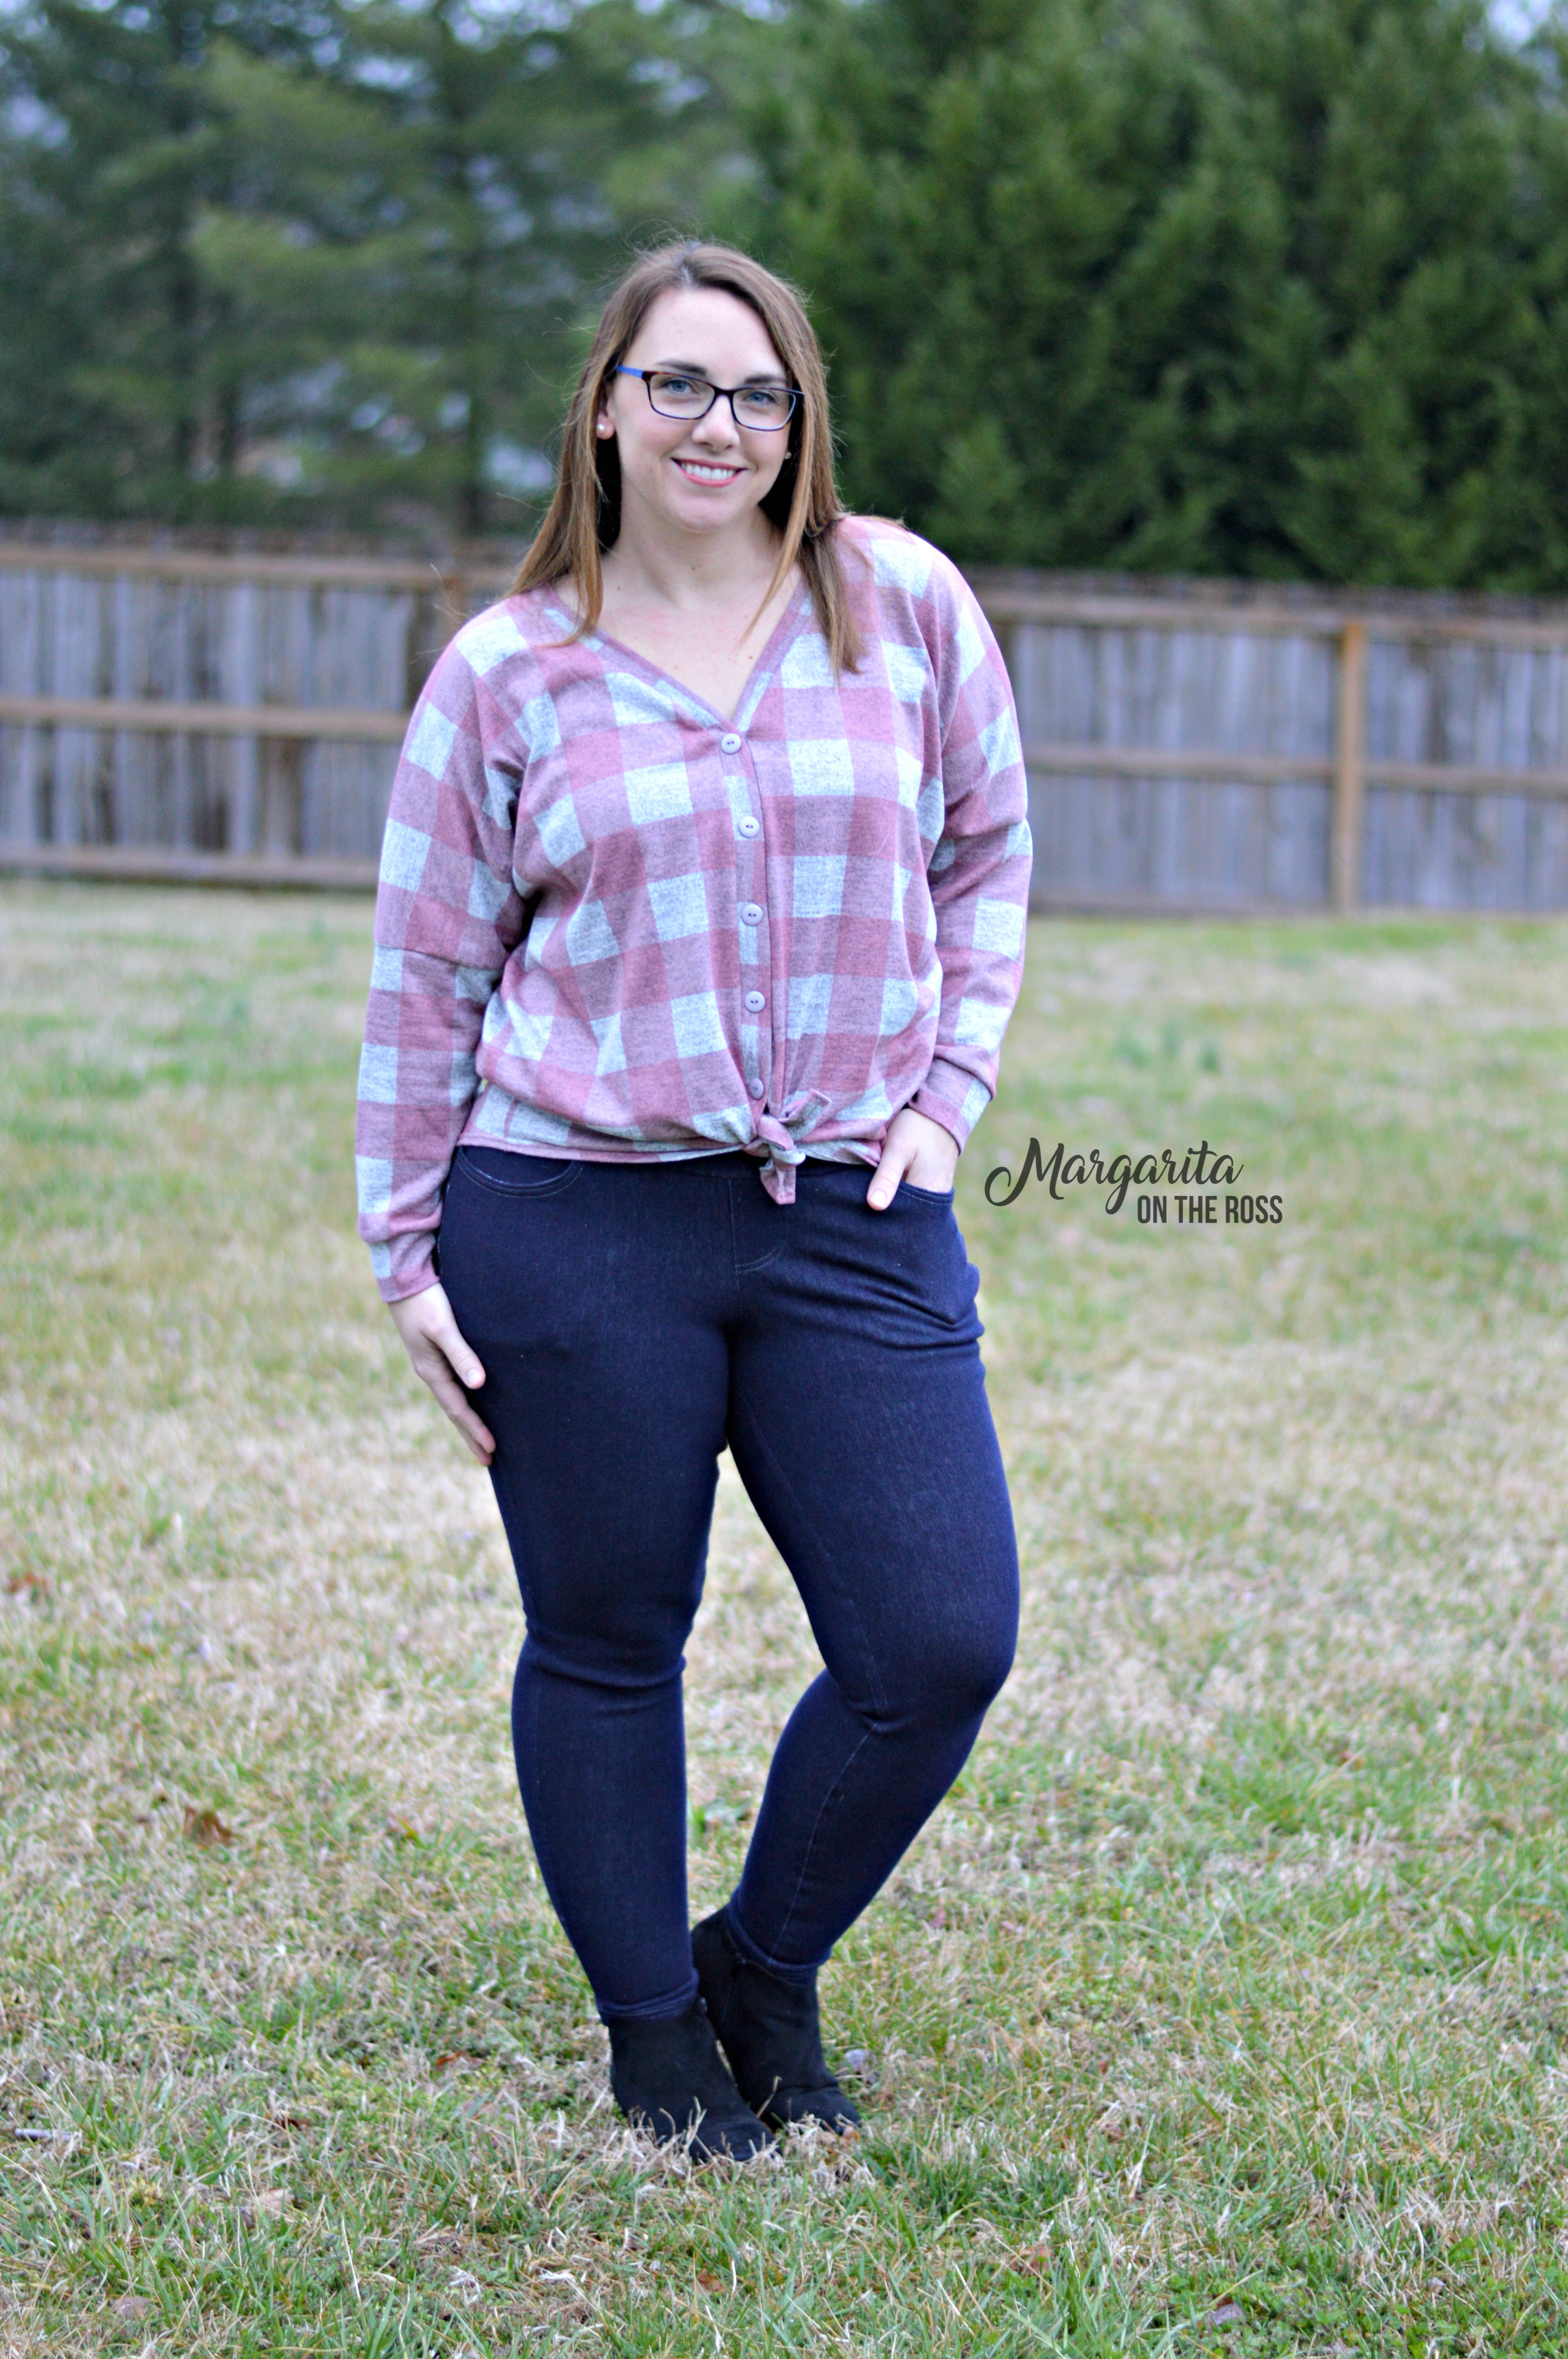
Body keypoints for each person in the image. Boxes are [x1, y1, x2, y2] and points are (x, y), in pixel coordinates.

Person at [356, 241, 1032, 2162]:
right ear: (604, 409)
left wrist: (950, 1092)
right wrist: (404, 1250)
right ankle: (652, 2028)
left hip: (849, 1208)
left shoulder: (900, 605)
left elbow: (985, 852)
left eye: (756, 393)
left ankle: (761, 1962)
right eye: (676, 385)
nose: (716, 425)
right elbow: (426, 970)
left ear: (798, 422)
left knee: (937, 1637)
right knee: (607, 1631)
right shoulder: (509, 670)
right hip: (569, 1215)